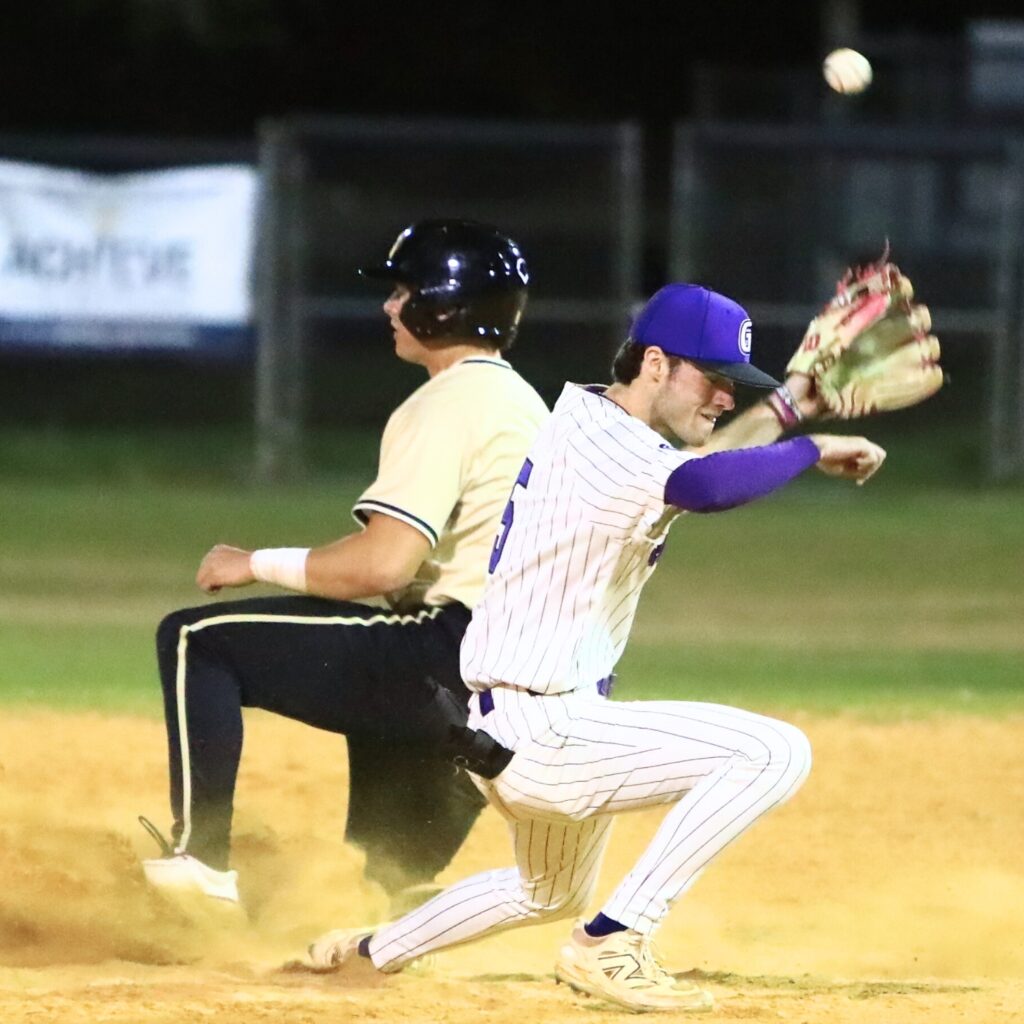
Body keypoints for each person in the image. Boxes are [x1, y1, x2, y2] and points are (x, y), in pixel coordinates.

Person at [307, 282, 886, 1012]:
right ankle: (612, 942)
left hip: (517, 722)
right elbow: (705, 486)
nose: (721, 400)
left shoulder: (601, 430)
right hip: (545, 729)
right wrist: (811, 445)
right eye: (714, 381)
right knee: (772, 752)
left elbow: (696, 469)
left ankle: (369, 952)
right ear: (655, 365)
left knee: (544, 890)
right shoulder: (604, 445)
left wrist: (789, 404)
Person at [140, 219, 549, 917]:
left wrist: (253, 563)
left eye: (403, 290)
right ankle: (399, 908)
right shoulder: (518, 400)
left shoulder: (451, 399)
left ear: (444, 305)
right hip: (518, 689)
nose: (390, 306)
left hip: (449, 662)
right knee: (374, 889)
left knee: (195, 642)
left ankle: (199, 865)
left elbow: (382, 566)